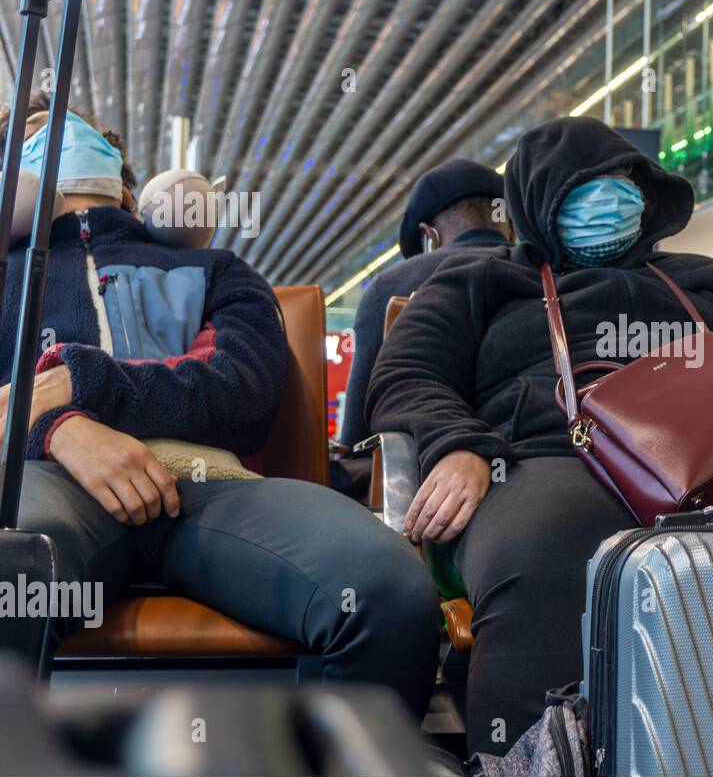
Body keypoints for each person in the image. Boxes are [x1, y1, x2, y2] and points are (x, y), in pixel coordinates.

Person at [367, 117, 713, 756]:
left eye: (622, 181)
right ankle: (533, 764)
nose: (609, 198)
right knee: (542, 559)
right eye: (583, 187)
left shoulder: (710, 281)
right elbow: (406, 374)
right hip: (548, 460)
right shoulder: (481, 282)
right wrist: (461, 444)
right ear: (537, 202)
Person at [0, 95, 441, 716]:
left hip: (211, 488)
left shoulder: (215, 269)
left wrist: (84, 385)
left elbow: (239, 394)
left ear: (134, 191)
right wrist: (60, 429)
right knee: (10, 570)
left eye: (76, 131)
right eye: (33, 138)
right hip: (52, 483)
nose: (58, 141)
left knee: (386, 591)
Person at [336, 160, 513, 450]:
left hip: (424, 475)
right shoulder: (548, 276)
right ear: (512, 227)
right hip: (541, 465)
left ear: (430, 237)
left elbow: (359, 430)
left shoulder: (389, 287)